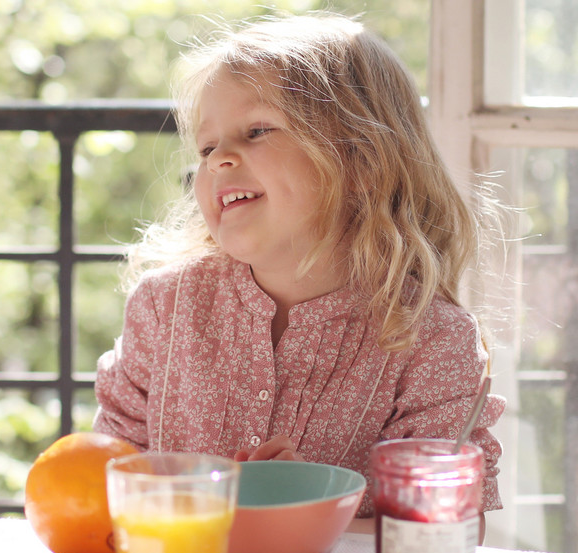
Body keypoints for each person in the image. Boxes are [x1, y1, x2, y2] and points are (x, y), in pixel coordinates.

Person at [93, 13, 507, 521]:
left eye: (257, 130)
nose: (219, 157)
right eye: (206, 147)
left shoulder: (433, 343)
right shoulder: (163, 308)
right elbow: (103, 481)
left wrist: (316, 499)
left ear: (362, 162)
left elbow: (450, 536)